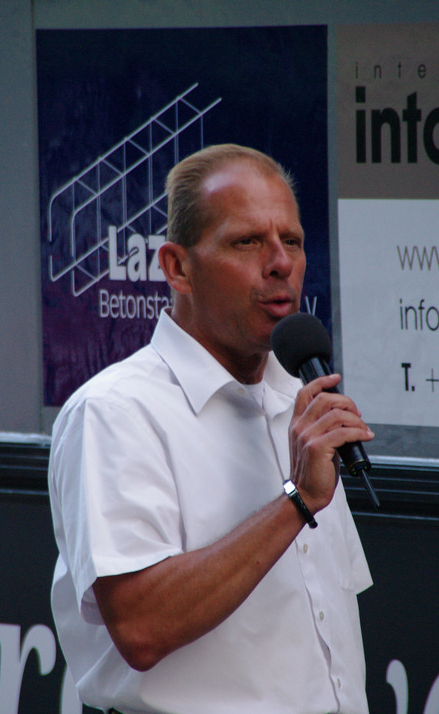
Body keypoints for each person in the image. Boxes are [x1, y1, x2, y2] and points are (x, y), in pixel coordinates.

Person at [48, 144, 373, 713]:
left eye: (292, 241)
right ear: (177, 268)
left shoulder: (301, 400)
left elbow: (326, 628)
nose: (280, 263)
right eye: (247, 242)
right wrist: (296, 502)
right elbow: (141, 627)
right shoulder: (116, 411)